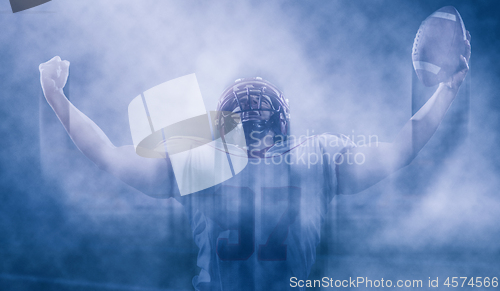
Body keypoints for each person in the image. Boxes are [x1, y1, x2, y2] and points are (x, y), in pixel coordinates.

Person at [39, 32, 471, 291]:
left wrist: (57, 99)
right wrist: (446, 91)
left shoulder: (201, 163)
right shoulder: (315, 158)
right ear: (284, 123)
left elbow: (108, 156)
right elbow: (400, 149)